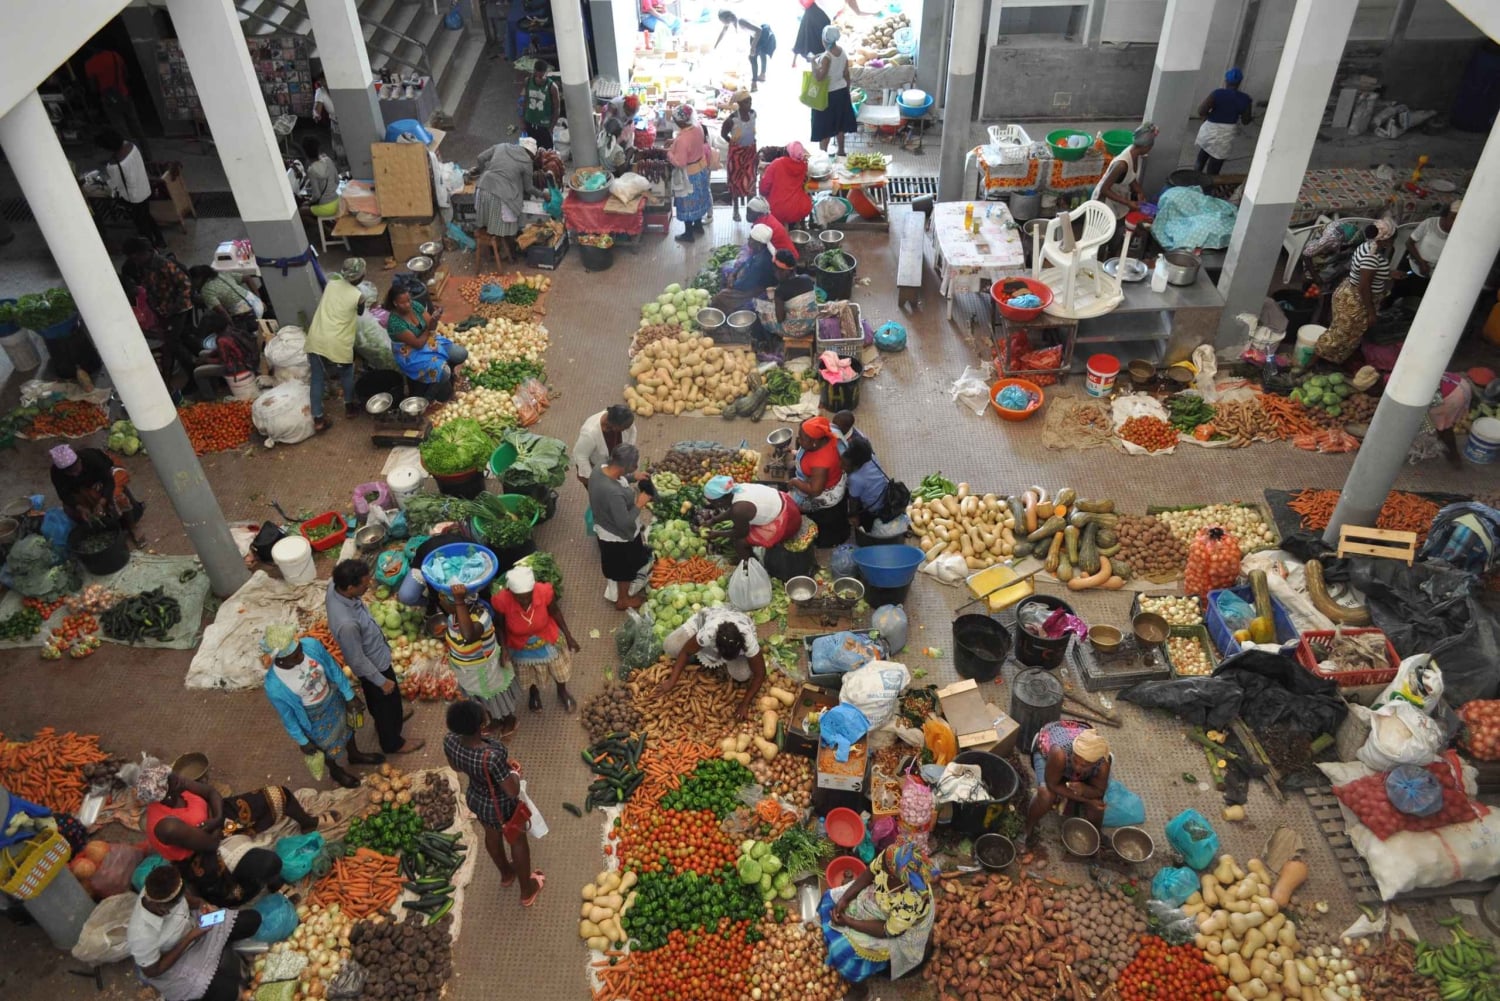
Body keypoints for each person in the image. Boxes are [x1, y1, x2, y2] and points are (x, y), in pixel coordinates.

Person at [129, 758, 319, 907]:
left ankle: (309, 822)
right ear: (164, 794)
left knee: (279, 794)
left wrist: (217, 818)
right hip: (201, 854)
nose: (176, 776)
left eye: (170, 774)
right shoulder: (167, 826)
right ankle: (274, 882)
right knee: (267, 864)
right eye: (169, 779)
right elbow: (210, 844)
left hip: (214, 820)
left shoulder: (177, 783)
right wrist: (219, 827)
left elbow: (211, 793)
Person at [443, 699, 544, 905]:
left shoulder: (450, 741)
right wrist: (513, 772)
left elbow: (456, 767)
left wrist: (499, 769)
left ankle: (506, 874)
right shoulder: (492, 754)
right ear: (481, 725)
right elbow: (512, 790)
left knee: (491, 833)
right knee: (517, 840)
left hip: (477, 799)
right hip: (501, 806)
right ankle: (527, 890)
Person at [261, 623, 379, 789]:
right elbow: (287, 717)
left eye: (300, 649)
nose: (302, 656)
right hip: (313, 716)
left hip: (332, 698)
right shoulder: (274, 686)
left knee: (348, 727)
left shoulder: (311, 646)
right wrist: (302, 741)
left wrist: (349, 695)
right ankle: (336, 771)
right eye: (295, 656)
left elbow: (332, 668)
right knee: (325, 746)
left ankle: (354, 754)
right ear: (280, 659)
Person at [327, 558, 424, 756]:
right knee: (386, 700)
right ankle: (393, 742)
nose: (369, 585)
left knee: (382, 703)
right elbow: (356, 660)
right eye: (364, 583)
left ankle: (388, 721)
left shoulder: (335, 586)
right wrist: (381, 681)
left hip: (377, 655)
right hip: (374, 666)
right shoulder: (347, 624)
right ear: (350, 587)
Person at [128, 867, 261, 1001]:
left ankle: (219, 953)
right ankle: (216, 962)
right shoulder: (140, 934)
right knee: (229, 992)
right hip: (177, 960)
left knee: (252, 919)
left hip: (197, 926)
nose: (181, 902)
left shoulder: (161, 891)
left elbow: (187, 899)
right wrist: (191, 936)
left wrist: (203, 905)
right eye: (176, 903)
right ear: (161, 907)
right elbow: (152, 971)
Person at [819, 842, 935, 996]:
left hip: (894, 929)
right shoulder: (891, 856)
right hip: (879, 900)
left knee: (844, 954)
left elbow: (887, 930)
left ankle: (860, 989)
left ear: (897, 877)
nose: (882, 864)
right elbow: (870, 872)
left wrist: (849, 922)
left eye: (887, 867)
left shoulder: (911, 900)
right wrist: (845, 899)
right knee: (829, 900)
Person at [492, 565, 581, 713]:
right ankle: (534, 694)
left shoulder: (543, 592)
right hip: (520, 645)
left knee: (559, 670)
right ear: (511, 593)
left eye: (528, 595)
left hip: (547, 638)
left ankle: (562, 691)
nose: (526, 600)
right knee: (528, 674)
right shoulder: (502, 601)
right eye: (520, 597)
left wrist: (568, 636)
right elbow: (499, 626)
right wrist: (504, 648)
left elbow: (556, 612)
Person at [436, 583, 521, 737]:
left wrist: (458, 601)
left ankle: (509, 720)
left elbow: (468, 635)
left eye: (446, 601)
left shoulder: (481, 617)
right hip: (468, 671)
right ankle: (495, 721)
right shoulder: (452, 618)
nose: (441, 604)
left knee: (495, 698)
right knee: (481, 699)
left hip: (486, 670)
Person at [655, 605, 767, 719]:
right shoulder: (708, 633)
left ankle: (722, 661)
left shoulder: (747, 640)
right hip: (714, 617)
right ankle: (698, 656)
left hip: (738, 619)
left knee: (742, 675)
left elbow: (760, 673)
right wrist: (671, 681)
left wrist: (745, 704)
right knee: (671, 646)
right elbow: (686, 652)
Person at [1316, 218, 1395, 364]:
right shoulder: (1371, 257)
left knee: (1343, 333)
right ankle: (1313, 362)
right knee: (1339, 336)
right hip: (1356, 302)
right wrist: (1371, 312)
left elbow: (1367, 272)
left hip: (1349, 293)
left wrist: (1390, 273)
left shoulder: (1367, 246)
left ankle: (1329, 361)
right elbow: (1364, 286)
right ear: (1386, 239)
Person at [587, 443, 654, 610]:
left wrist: (633, 477)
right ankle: (623, 600)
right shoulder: (613, 493)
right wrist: (639, 503)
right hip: (619, 536)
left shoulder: (600, 468)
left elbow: (618, 477)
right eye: (634, 465)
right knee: (624, 568)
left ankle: (621, 593)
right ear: (624, 466)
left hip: (604, 523)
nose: (636, 467)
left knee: (617, 565)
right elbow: (624, 522)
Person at [1023, 721, 1111, 842]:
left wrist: (1085, 790)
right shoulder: (1060, 753)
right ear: (1073, 753)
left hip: (1067, 761)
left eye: (1085, 765)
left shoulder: (1103, 764)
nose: (1078, 767)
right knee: (1046, 795)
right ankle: (1027, 830)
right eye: (1075, 760)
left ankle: (1095, 836)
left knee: (1097, 804)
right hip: (1046, 753)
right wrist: (1086, 799)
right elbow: (1052, 784)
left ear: (1095, 763)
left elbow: (1099, 791)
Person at [304, 259, 366, 431]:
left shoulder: (332, 282)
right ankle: (349, 407)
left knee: (317, 378)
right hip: (337, 341)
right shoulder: (359, 296)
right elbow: (360, 312)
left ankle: (318, 419)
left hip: (316, 336)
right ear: (361, 277)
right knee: (346, 372)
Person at [123, 237, 196, 381]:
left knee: (173, 344)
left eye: (136, 256)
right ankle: (202, 360)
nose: (135, 260)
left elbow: (186, 285)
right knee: (184, 337)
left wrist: (174, 307)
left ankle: (193, 374)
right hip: (165, 310)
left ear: (145, 252)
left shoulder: (164, 264)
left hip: (178, 310)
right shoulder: (144, 266)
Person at [50, 443, 144, 546]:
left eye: (76, 469)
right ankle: (98, 527)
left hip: (107, 477)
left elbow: (109, 481)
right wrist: (80, 507)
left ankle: (133, 527)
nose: (74, 474)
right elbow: (64, 494)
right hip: (84, 486)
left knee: (117, 497)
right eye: (70, 473)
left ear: (79, 461)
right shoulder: (56, 473)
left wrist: (101, 502)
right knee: (69, 509)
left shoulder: (92, 458)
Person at [385, 286, 467, 401]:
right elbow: (418, 343)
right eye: (403, 303)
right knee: (444, 373)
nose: (408, 305)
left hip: (429, 341)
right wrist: (430, 328)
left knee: (461, 354)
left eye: (408, 300)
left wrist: (434, 319)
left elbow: (431, 325)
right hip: (410, 354)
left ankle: (445, 374)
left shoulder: (415, 306)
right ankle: (427, 398)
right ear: (395, 303)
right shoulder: (395, 323)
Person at [702, 475, 802, 563]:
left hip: (788, 522)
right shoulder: (738, 488)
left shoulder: (739, 509)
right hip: (787, 504)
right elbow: (732, 511)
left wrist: (717, 534)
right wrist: (714, 520)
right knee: (740, 524)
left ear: (720, 502)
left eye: (713, 502)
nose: (713, 505)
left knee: (739, 543)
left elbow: (741, 533)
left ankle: (752, 566)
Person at [474, 139, 542, 261]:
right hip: (500, 197)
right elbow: (529, 187)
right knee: (506, 226)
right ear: (530, 153)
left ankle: (492, 251)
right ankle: (509, 254)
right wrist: (543, 195)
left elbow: (480, 158)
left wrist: (484, 172)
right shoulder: (526, 162)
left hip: (482, 190)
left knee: (487, 223)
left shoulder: (501, 145)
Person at [84, 46, 153, 162]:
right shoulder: (114, 55)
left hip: (109, 101)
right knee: (136, 127)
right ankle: (148, 155)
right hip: (124, 95)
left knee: (122, 131)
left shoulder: (90, 64)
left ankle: (134, 158)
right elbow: (126, 74)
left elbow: (93, 87)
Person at [96, 129, 162, 248]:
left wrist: (107, 183)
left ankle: (150, 247)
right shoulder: (132, 146)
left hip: (133, 198)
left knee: (141, 224)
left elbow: (116, 185)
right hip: (145, 188)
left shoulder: (113, 165)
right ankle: (160, 240)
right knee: (147, 216)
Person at [842, 438, 908, 539]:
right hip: (884, 496)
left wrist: (852, 515)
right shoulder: (871, 458)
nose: (841, 466)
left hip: (874, 509)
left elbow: (853, 501)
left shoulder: (856, 479)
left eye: (844, 464)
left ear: (854, 463)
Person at [1092, 122, 1157, 220]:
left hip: (1116, 198)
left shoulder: (1135, 154)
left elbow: (1129, 176)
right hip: (1103, 201)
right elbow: (1104, 189)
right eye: (1151, 147)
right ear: (1145, 147)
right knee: (1107, 229)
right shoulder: (1121, 164)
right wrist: (1128, 202)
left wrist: (1139, 190)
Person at [668, 105, 714, 243]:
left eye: (675, 120)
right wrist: (674, 142)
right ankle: (698, 226)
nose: (675, 122)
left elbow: (680, 162)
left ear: (681, 122)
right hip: (701, 169)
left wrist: (669, 153)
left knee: (687, 203)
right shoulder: (698, 127)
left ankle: (688, 234)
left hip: (689, 176)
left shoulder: (683, 139)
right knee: (699, 199)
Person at [1194, 68, 1253, 175]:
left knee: (1203, 155)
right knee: (1215, 164)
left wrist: (1207, 119)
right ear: (1239, 82)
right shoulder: (1245, 99)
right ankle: (1208, 186)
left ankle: (1194, 179)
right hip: (1226, 134)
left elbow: (1201, 110)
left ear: (1226, 81)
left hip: (1210, 131)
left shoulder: (1217, 94)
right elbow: (1245, 121)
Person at [190, 313, 259, 402]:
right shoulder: (231, 329)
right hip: (246, 360)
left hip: (236, 368)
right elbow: (222, 350)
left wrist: (206, 360)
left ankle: (210, 398)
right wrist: (209, 355)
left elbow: (224, 362)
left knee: (198, 373)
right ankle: (215, 387)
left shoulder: (221, 340)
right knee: (203, 353)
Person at [712, 225, 778, 315]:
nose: (748, 241)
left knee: (719, 298)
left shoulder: (760, 263)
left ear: (758, 244)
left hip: (755, 289)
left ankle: (728, 312)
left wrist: (732, 284)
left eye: (750, 239)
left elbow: (745, 285)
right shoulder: (760, 250)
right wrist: (734, 273)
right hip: (748, 279)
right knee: (726, 269)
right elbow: (746, 262)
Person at [811, 26, 856, 158]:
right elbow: (846, 74)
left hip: (827, 95)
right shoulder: (842, 52)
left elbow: (819, 78)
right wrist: (847, 90)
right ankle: (841, 150)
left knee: (824, 127)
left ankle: (823, 155)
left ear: (824, 40)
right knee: (840, 124)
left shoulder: (826, 57)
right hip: (841, 92)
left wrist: (813, 63)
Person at [790, 416, 846, 512]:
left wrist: (794, 482)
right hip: (820, 479)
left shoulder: (821, 465)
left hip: (823, 492)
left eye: (802, 439)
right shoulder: (825, 433)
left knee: (791, 505)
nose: (799, 441)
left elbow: (815, 491)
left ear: (814, 442)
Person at [572, 404, 637, 487]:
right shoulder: (590, 433)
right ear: (614, 426)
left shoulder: (625, 419)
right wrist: (593, 480)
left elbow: (632, 431)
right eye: (623, 428)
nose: (626, 429)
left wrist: (628, 452)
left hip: (614, 463)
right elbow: (581, 456)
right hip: (596, 467)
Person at [760, 250, 819, 339]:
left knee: (761, 313)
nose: (775, 274)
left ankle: (770, 341)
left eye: (775, 271)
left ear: (785, 271)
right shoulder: (807, 278)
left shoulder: (780, 290)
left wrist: (776, 300)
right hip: (812, 324)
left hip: (795, 331)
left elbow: (780, 319)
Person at [721, 92, 759, 221]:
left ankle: (750, 211)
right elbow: (723, 134)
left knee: (750, 181)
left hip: (750, 153)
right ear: (740, 104)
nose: (750, 104)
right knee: (736, 182)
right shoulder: (732, 120)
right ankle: (736, 210)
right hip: (737, 155)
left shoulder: (753, 114)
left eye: (751, 101)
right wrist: (733, 145)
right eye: (747, 102)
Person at [190, 266, 260, 335]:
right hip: (257, 305)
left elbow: (222, 312)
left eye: (192, 281)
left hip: (247, 316)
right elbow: (248, 278)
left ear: (198, 278)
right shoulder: (222, 274)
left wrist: (233, 328)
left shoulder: (206, 290)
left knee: (208, 318)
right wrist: (259, 299)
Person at [717, 13, 775, 92]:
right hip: (755, 34)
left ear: (728, 18)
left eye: (722, 21)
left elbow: (759, 30)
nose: (723, 23)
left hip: (762, 32)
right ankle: (762, 75)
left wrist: (753, 47)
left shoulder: (740, 21)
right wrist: (716, 45)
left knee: (752, 57)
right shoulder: (732, 21)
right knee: (761, 52)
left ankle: (754, 84)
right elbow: (723, 32)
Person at [759, 142, 813, 227]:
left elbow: (763, 189)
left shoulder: (776, 163)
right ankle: (796, 224)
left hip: (777, 209)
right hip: (798, 208)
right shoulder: (803, 166)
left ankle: (784, 226)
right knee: (807, 197)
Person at [1405, 200, 1460, 278]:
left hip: (1435, 274)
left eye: (1459, 219)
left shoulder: (1459, 234)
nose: (1456, 222)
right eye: (1453, 217)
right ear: (1445, 215)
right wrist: (1421, 263)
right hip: (1414, 266)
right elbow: (1409, 243)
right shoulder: (1430, 223)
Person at [523, 62, 561, 150]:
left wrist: (551, 127)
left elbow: (557, 108)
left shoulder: (552, 87)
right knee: (532, 150)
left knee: (547, 152)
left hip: (544, 125)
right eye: (536, 76)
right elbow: (525, 100)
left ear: (546, 74)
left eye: (541, 77)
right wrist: (523, 120)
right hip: (530, 121)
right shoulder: (528, 81)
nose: (538, 79)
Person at [301, 136, 341, 218]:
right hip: (338, 202)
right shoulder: (328, 160)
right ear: (319, 149)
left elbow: (317, 195)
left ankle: (325, 228)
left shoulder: (311, 170)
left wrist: (310, 201)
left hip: (326, 207)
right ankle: (327, 224)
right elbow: (337, 180)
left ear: (306, 154)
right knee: (308, 206)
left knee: (301, 211)